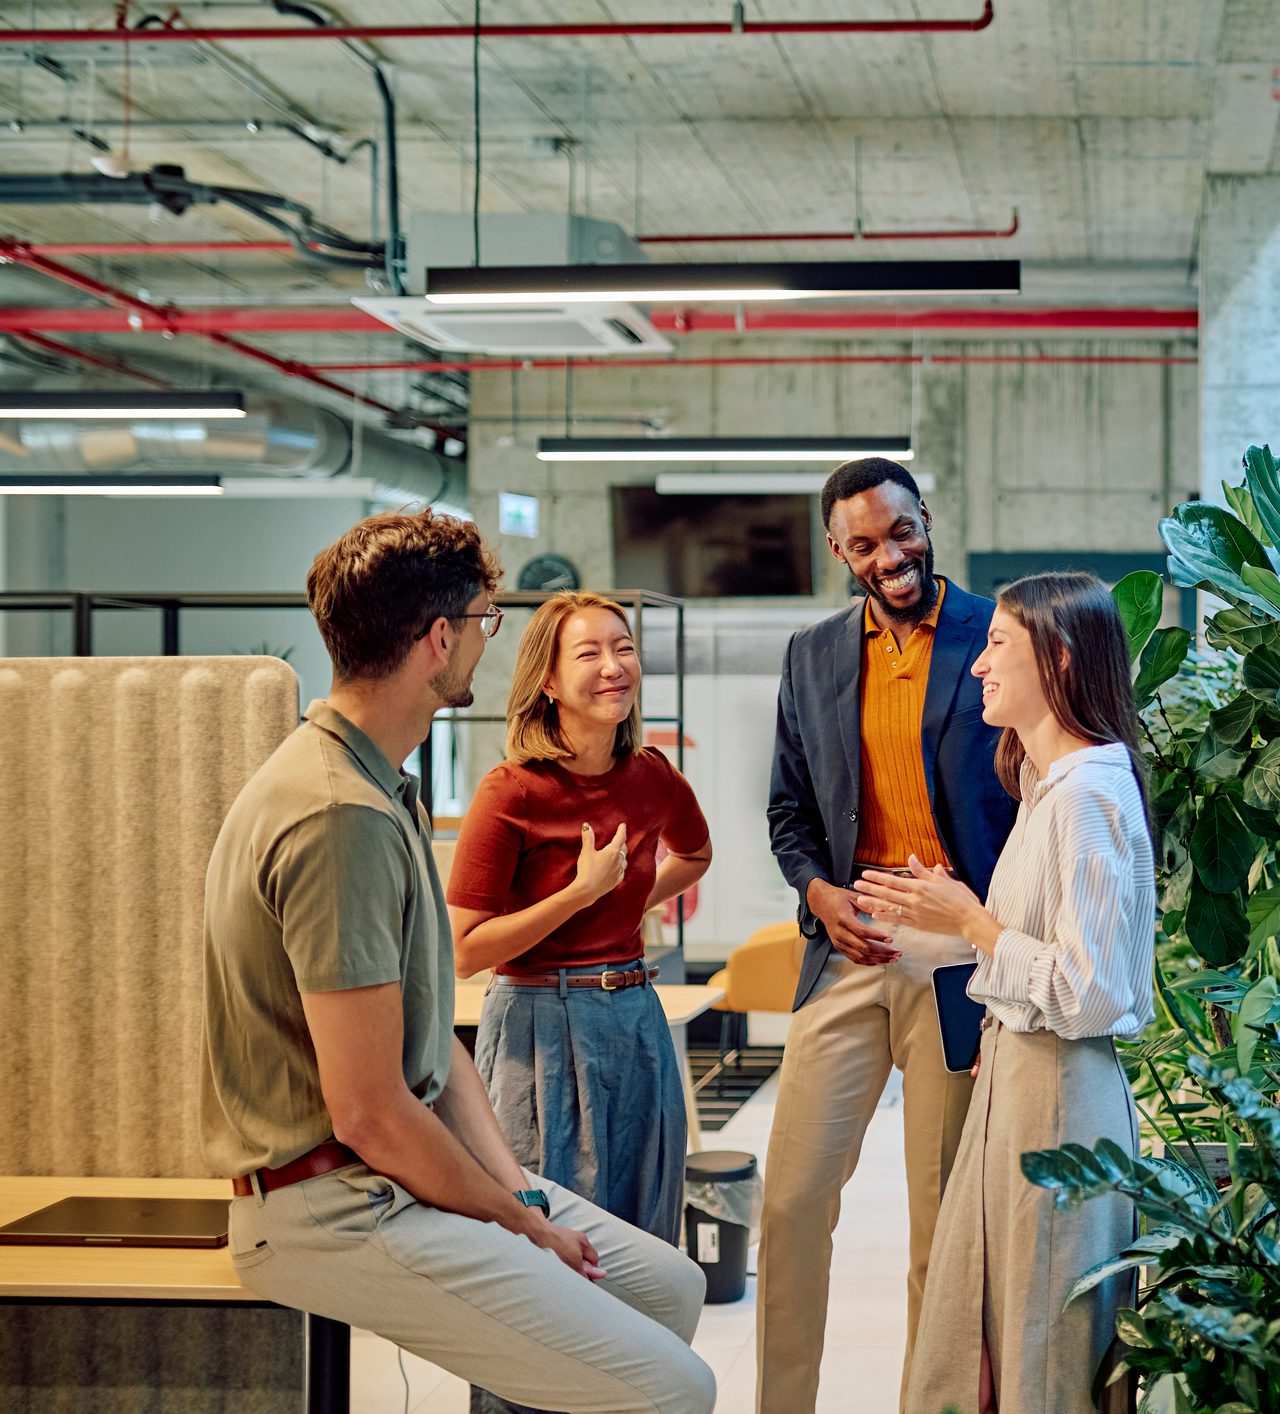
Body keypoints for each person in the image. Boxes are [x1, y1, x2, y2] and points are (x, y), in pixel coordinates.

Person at [199, 511, 716, 1413]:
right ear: (440, 639)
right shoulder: (338, 815)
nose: (489, 640)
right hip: (334, 1206)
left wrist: (518, 1191)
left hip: (380, 1175)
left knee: (669, 1288)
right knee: (675, 1387)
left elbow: (431, 1050)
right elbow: (370, 1110)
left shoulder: (374, 783)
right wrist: (514, 1223)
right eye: (486, 620)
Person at [856, 572, 1157, 1414]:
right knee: (999, 1326)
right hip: (1024, 1081)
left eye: (998, 644)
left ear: (1057, 659)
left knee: (1041, 1345)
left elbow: (1089, 993)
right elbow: (1050, 956)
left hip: (1058, 1093)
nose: (979, 664)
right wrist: (950, 920)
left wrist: (977, 927)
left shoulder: (1086, 797)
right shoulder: (1050, 789)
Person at [759, 457, 1020, 1414]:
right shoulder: (814, 654)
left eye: (900, 531)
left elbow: (1033, 797)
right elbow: (788, 814)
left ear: (924, 520)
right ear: (839, 552)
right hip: (849, 949)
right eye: (864, 544)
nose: (890, 556)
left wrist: (989, 926)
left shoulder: (997, 632)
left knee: (938, 1224)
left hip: (955, 960)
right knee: (789, 1204)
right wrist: (818, 894)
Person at [447, 591, 716, 1414]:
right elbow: (464, 948)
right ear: (549, 682)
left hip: (634, 1018)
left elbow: (696, 853)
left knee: (640, 1238)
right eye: (589, 654)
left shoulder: (651, 777)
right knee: (543, 1258)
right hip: (538, 1025)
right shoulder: (511, 792)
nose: (614, 666)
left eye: (623, 648)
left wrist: (628, 901)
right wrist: (580, 895)